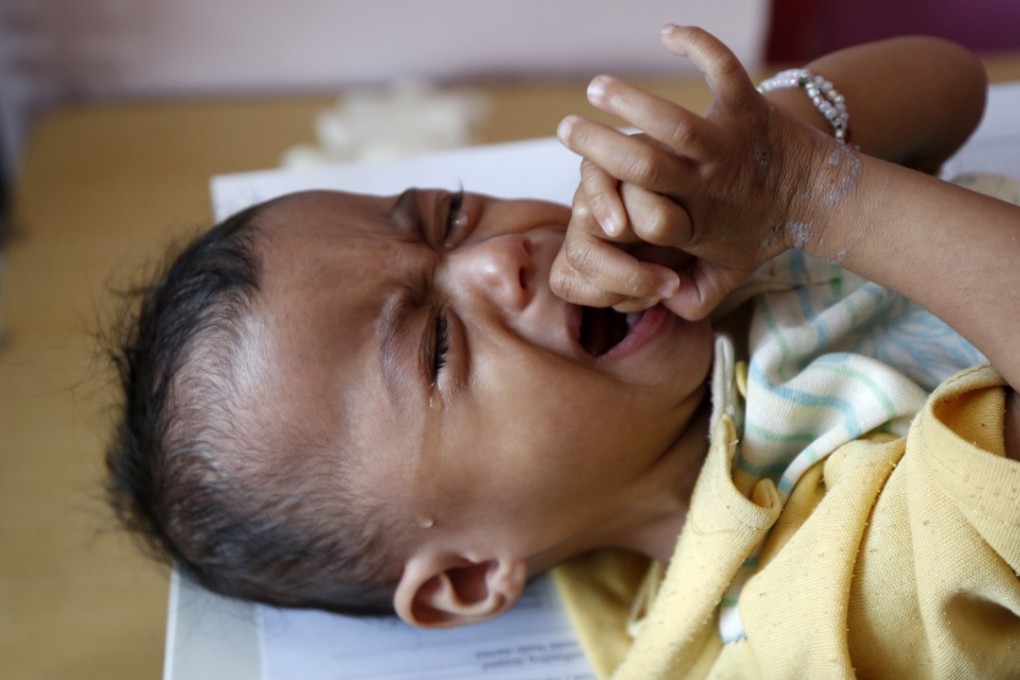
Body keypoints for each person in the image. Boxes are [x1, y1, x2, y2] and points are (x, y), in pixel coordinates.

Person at [105, 24, 1019, 677]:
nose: (499, 258)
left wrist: (760, 149)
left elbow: (948, 82)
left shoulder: (727, 254)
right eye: (434, 349)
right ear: (468, 575)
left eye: (447, 217)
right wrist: (817, 194)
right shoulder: (804, 606)